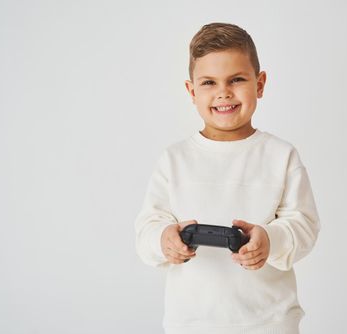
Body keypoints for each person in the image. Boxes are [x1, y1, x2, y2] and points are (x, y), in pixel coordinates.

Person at [135, 22, 320, 334]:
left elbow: (304, 225)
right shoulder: (174, 159)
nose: (224, 93)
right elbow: (146, 228)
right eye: (209, 82)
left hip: (269, 322)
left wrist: (270, 239)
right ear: (191, 91)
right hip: (192, 324)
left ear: (259, 84)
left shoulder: (280, 156)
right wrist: (163, 238)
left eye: (236, 79)